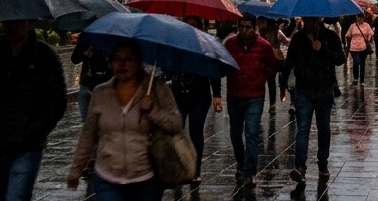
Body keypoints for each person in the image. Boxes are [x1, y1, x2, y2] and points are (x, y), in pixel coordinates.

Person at [0, 19, 67, 201]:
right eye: (8, 21)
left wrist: (36, 131)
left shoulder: (44, 55)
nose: (11, 25)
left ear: (29, 23)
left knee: (17, 197)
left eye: (17, 21)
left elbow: (58, 101)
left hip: (27, 146)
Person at [67, 39, 183, 200]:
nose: (122, 64)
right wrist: (76, 170)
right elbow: (89, 134)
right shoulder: (101, 93)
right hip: (107, 177)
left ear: (138, 63)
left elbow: (175, 124)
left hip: (146, 178)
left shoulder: (156, 88)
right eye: (117, 59)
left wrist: (152, 111)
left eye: (128, 59)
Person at [159, 15, 222, 185]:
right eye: (188, 25)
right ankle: (178, 167)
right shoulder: (176, 45)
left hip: (199, 96)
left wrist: (217, 94)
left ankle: (195, 169)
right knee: (176, 131)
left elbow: (213, 71)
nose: (191, 29)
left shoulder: (205, 45)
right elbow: (167, 68)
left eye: (194, 25)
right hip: (178, 94)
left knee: (195, 131)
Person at [285, 15, 346, 186]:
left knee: (324, 127)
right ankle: (300, 166)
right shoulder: (298, 38)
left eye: (313, 19)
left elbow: (340, 59)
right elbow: (289, 61)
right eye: (307, 19)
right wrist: (283, 83)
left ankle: (322, 163)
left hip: (324, 89)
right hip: (303, 89)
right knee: (303, 128)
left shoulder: (330, 36)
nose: (309, 22)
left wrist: (323, 49)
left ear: (319, 19)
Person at [223, 13, 277, 188]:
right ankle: (240, 162)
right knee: (235, 134)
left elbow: (272, 65)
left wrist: (262, 79)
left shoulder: (264, 46)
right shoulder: (230, 44)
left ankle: (250, 172)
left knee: (252, 133)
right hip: (234, 95)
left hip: (255, 96)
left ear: (255, 28)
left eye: (248, 27)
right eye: (241, 27)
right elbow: (223, 63)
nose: (244, 31)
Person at [71, 39, 112, 123]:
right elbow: (74, 59)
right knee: (86, 122)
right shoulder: (87, 39)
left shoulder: (110, 40)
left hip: (104, 85)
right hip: (86, 85)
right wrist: (85, 53)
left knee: (104, 121)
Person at [258, 17, 288, 113]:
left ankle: (271, 104)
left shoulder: (262, 32)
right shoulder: (277, 31)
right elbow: (285, 40)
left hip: (266, 59)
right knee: (282, 75)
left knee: (270, 82)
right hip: (276, 58)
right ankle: (282, 92)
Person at [343, 13, 373, 85]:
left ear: (362, 18)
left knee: (362, 64)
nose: (358, 19)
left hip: (364, 47)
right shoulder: (352, 26)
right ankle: (355, 78)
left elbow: (371, 33)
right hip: (354, 48)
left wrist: (368, 38)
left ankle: (362, 80)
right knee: (356, 62)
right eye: (357, 18)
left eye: (360, 18)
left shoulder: (366, 25)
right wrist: (347, 39)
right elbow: (348, 34)